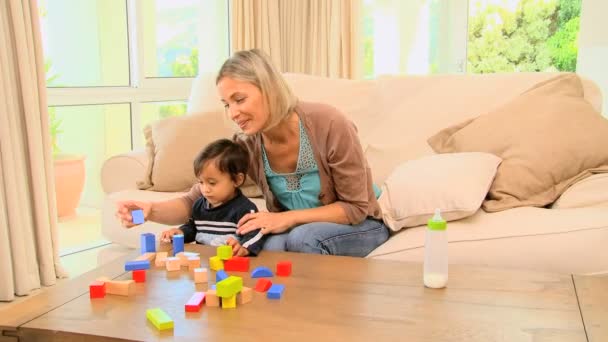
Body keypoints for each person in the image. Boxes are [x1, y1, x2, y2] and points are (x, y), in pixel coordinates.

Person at [116, 48, 389, 257]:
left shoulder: (329, 123)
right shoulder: (248, 143)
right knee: (262, 245)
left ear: (269, 89)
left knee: (301, 238)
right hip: (299, 228)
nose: (233, 113)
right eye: (226, 104)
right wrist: (150, 210)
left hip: (362, 225)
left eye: (240, 99)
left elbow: (355, 208)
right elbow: (197, 198)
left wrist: (284, 218)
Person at [159, 138, 264, 256]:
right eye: (201, 182)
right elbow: (193, 228)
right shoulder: (199, 205)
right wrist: (179, 233)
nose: (205, 189)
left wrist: (244, 248)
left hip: (230, 263)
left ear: (237, 180)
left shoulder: (244, 209)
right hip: (203, 263)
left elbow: (255, 234)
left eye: (212, 183)